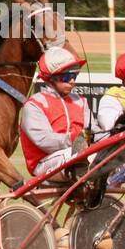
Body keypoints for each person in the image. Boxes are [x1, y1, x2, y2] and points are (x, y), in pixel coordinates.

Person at [20, 47, 91, 179]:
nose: (72, 81)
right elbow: (45, 141)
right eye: (67, 76)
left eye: (74, 76)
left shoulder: (80, 101)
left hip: (76, 154)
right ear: (51, 78)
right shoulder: (35, 104)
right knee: (77, 153)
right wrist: (75, 139)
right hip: (44, 162)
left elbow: (92, 131)